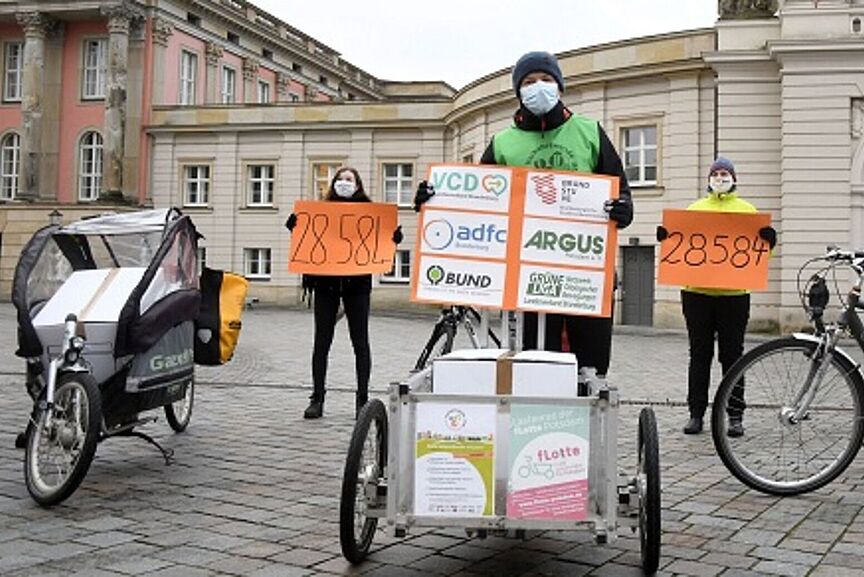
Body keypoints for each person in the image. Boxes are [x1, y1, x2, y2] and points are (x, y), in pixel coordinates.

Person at [414, 50, 633, 376]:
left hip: (585, 272)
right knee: (536, 366)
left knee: (591, 367)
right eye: (529, 82)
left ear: (559, 86)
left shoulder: (589, 132)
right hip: (529, 276)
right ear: (518, 91)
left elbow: (620, 190)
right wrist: (436, 200)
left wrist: (624, 208)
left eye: (546, 79)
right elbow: (475, 200)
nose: (538, 86)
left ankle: (589, 403)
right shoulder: (503, 143)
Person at [656, 157, 777, 436]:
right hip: (696, 294)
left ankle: (735, 415)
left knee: (732, 356)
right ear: (709, 179)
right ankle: (696, 414)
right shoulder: (694, 209)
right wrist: (666, 237)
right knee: (699, 355)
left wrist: (769, 243)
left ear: (734, 178)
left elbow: (759, 256)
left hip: (734, 295)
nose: (720, 177)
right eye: (716, 173)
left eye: (725, 173)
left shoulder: (748, 211)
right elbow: (677, 245)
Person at [286, 167, 402, 419]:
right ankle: (317, 398)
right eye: (340, 179)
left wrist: (394, 237)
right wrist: (294, 226)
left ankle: (362, 399)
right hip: (325, 284)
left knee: (360, 342)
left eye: (349, 179)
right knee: (322, 341)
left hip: (357, 285)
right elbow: (306, 236)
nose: (343, 182)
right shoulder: (321, 210)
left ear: (357, 184)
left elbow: (382, 240)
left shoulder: (369, 211)